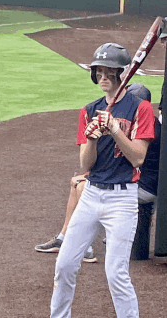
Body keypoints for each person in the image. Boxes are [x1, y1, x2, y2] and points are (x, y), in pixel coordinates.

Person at [49, 42, 155, 318]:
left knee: (115, 273)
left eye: (109, 71)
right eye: (99, 71)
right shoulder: (89, 110)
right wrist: (94, 137)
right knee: (64, 265)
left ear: (121, 73)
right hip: (92, 194)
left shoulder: (140, 109)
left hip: (122, 198)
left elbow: (138, 158)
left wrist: (116, 130)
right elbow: (86, 164)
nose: (103, 76)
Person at [35, 83, 158, 262]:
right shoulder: (153, 124)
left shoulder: (142, 128)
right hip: (143, 182)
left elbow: (135, 160)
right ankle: (65, 238)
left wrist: (114, 130)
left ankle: (83, 245)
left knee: (82, 187)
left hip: (141, 186)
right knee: (79, 182)